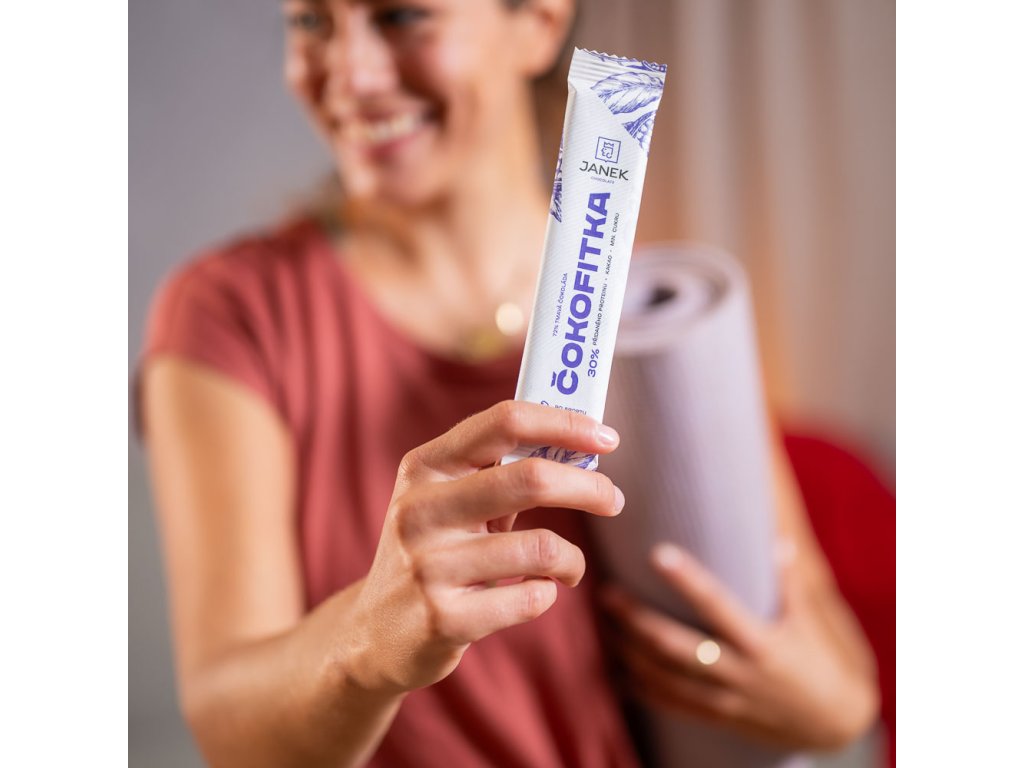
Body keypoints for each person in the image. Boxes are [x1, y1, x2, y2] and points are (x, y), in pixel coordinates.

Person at [139, 1, 880, 766]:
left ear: (539, 24)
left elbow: (843, 689)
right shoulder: (233, 315)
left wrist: (783, 695)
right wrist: (368, 643)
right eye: (310, 23)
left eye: (401, 16)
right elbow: (230, 734)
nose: (350, 75)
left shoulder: (652, 317)